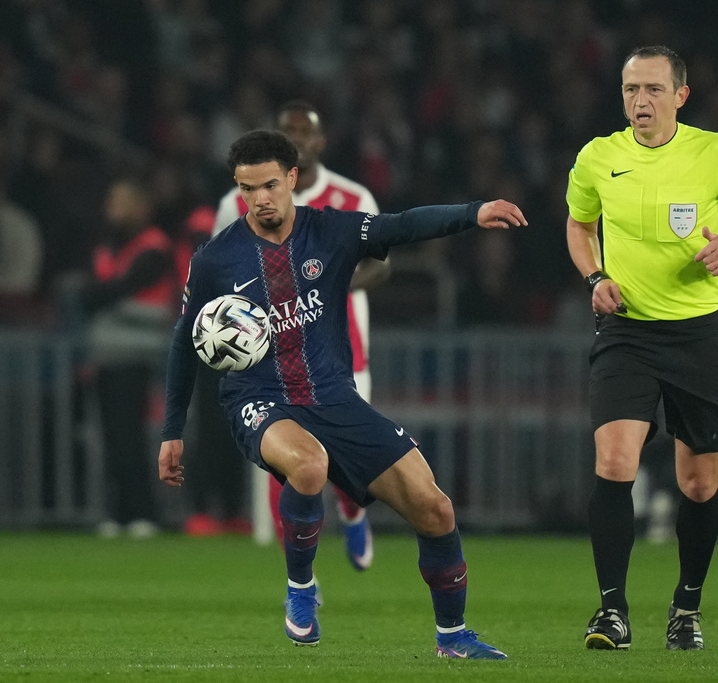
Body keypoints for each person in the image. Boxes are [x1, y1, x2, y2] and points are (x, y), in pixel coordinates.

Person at [160, 129, 524, 657]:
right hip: (259, 399)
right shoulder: (216, 258)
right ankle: (301, 589)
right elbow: (182, 344)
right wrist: (172, 430)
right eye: (247, 189)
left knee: (435, 509)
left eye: (268, 185)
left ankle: (452, 636)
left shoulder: (330, 230)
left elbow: (402, 225)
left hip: (335, 398)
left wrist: (475, 212)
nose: (259, 199)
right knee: (309, 465)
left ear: (291, 178)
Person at [565, 45, 718, 651]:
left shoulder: (715, 152)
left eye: (654, 89)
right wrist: (594, 277)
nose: (640, 100)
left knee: (699, 484)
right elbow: (580, 225)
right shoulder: (597, 157)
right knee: (615, 462)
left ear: (681, 96)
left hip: (698, 334)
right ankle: (611, 612)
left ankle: (686, 608)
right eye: (631, 89)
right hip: (626, 331)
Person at [215, 101, 389, 570]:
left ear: (320, 141)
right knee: (287, 465)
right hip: (271, 359)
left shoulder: (351, 197)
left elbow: (381, 264)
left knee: (346, 458)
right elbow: (219, 272)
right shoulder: (236, 202)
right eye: (286, 131)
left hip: (342, 354)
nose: (296, 139)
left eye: (304, 132)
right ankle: (300, 581)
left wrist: (330, 281)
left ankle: (353, 509)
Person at [82, 178, 177, 538]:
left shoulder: (154, 247)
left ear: (142, 207)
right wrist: (104, 294)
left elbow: (111, 291)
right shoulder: (107, 247)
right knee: (109, 439)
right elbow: (91, 294)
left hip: (138, 356)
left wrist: (104, 296)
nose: (112, 209)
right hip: (106, 356)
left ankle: (143, 512)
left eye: (121, 201)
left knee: (131, 438)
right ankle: (118, 512)